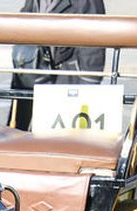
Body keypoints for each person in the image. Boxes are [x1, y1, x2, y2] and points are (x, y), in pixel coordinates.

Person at [10, 0, 105, 131]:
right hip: (34, 69)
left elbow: (95, 43)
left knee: (58, 138)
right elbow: (24, 20)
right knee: (21, 130)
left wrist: (89, 82)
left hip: (68, 74)